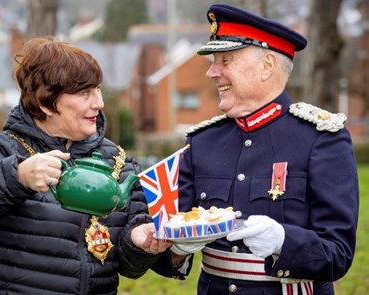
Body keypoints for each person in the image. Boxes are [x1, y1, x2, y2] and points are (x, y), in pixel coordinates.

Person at [0, 37, 170, 295]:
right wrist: (17, 177)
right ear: (45, 102)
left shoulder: (118, 162)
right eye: (85, 93)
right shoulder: (1, 149)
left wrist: (138, 243)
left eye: (98, 89)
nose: (99, 103)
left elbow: (128, 266)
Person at [151, 3, 359, 295]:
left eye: (225, 60)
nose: (212, 72)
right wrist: (177, 249)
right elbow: (164, 251)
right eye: (213, 61)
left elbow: (338, 254)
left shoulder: (321, 139)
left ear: (267, 66)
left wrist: (283, 241)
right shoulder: (201, 143)